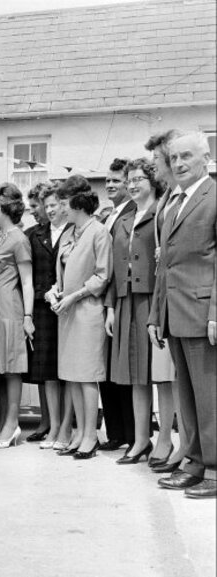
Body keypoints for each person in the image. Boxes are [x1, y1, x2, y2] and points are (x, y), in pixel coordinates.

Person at [149, 131, 216, 499]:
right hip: (176, 314)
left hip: (203, 313)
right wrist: (156, 315)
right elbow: (166, 267)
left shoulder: (213, 196)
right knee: (187, 396)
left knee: (211, 398)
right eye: (174, 158)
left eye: (186, 156)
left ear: (206, 158)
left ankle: (215, 470)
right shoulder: (174, 203)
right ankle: (194, 462)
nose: (178, 164)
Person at [104, 159, 173, 464]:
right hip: (125, 300)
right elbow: (113, 268)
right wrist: (110, 307)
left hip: (153, 300)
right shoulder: (124, 218)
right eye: (129, 180)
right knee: (135, 376)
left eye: (138, 179)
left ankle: (166, 441)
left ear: (152, 180)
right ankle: (141, 439)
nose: (132, 184)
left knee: (160, 375)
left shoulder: (162, 213)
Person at [47, 175, 112, 459]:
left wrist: (74, 296)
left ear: (77, 203)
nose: (60, 207)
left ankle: (90, 435)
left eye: (63, 202)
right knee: (71, 376)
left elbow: (103, 275)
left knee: (86, 376)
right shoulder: (68, 233)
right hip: (67, 313)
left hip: (87, 312)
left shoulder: (98, 232)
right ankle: (78, 432)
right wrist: (54, 292)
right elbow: (60, 274)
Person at [143, 129, 189, 473]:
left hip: (186, 299)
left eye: (157, 160)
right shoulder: (166, 200)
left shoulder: (181, 197)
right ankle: (171, 441)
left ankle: (188, 444)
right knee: (167, 376)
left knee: (183, 379)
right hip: (165, 298)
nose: (156, 167)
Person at [0, 183, 34, 449]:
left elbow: (27, 280)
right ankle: (4, 421)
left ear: (5, 207)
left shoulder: (18, 239)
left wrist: (27, 315)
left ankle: (12, 424)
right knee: (0, 369)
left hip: (10, 307)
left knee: (12, 369)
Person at [26, 184, 70, 448]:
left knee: (70, 372)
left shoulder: (74, 231)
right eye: (48, 206)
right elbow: (32, 277)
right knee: (49, 373)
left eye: (56, 205)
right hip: (44, 309)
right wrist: (44, 295)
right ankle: (53, 427)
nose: (51, 209)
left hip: (69, 307)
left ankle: (67, 427)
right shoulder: (35, 235)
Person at [98, 158, 137, 453]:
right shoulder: (109, 216)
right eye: (108, 181)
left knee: (124, 369)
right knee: (108, 371)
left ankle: (131, 432)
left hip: (121, 298)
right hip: (104, 300)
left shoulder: (134, 213)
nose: (110, 185)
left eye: (116, 181)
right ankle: (115, 431)